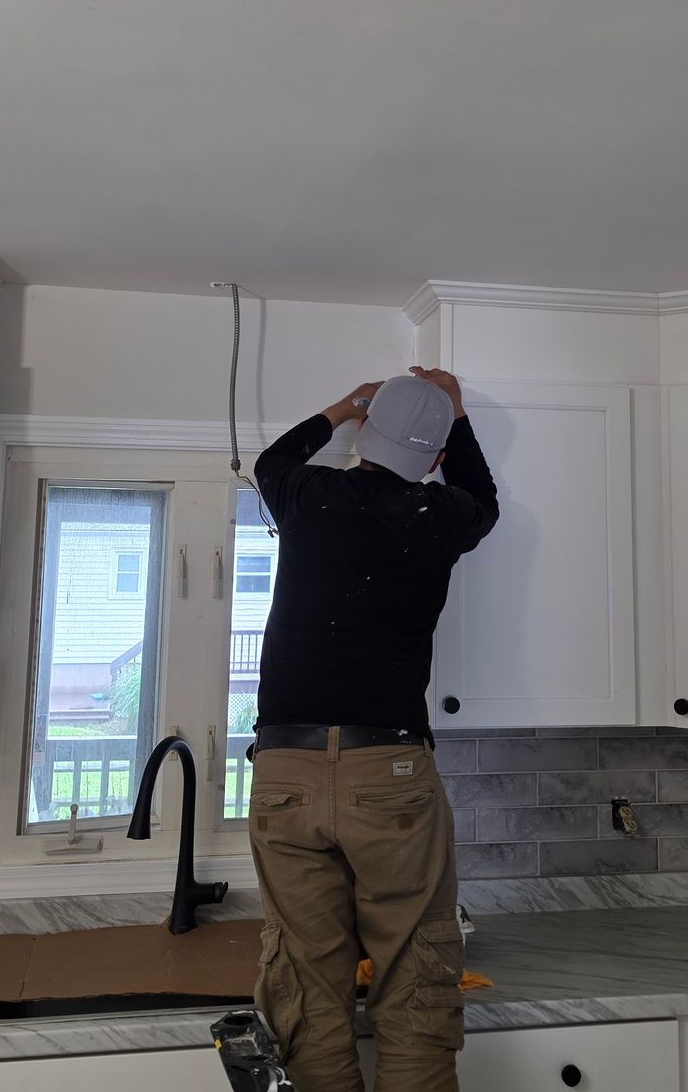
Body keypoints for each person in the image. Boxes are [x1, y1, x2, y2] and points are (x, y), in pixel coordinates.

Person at [246, 366, 500, 1092]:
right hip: (386, 767)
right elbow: (484, 499)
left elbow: (274, 459)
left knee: (303, 976)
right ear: (434, 454)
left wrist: (343, 408)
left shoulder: (310, 495)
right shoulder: (441, 515)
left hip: (286, 768)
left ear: (369, 433)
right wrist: (455, 414)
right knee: (416, 968)